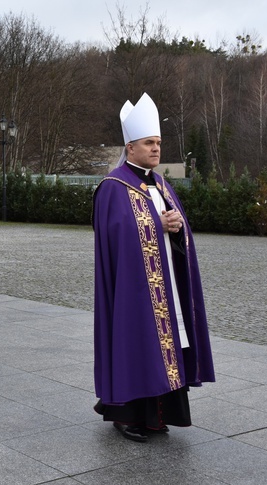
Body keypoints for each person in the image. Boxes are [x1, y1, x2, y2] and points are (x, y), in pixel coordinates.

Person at [92, 92, 215, 442]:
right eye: (149, 143)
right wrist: (153, 226)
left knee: (166, 342)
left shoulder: (161, 183)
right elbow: (113, 236)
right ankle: (126, 414)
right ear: (130, 147)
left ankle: (157, 415)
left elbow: (175, 232)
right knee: (135, 341)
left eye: (159, 143)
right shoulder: (113, 187)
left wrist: (177, 227)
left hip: (166, 287)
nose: (156, 149)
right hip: (131, 288)